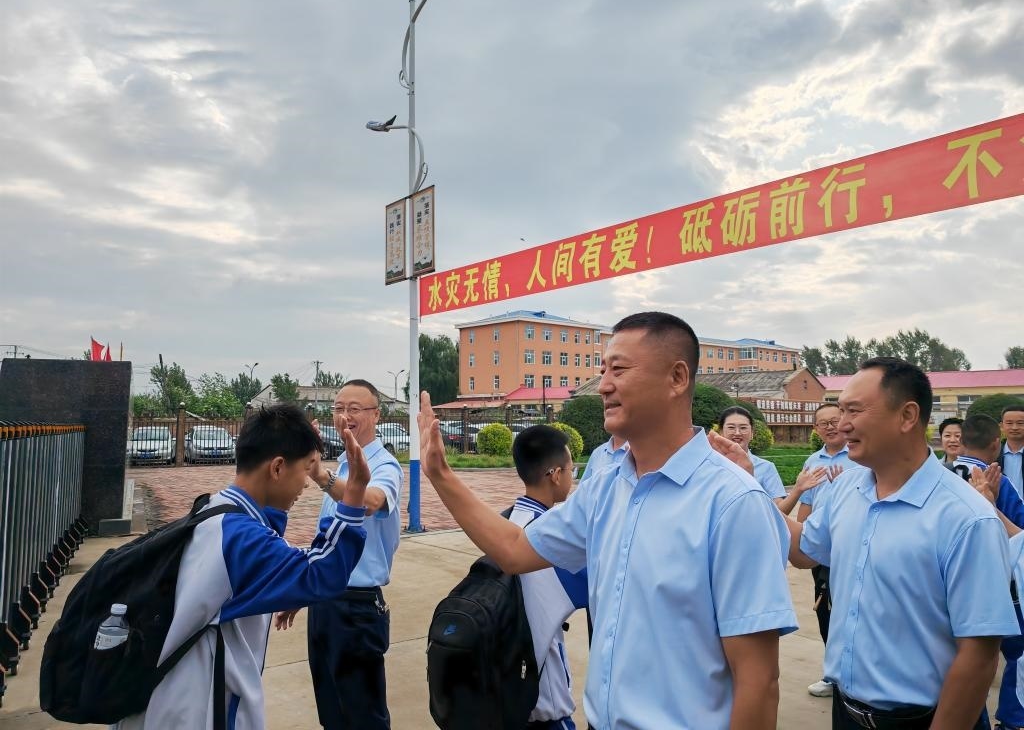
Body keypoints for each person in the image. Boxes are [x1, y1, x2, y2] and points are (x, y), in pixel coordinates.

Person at [418, 311, 798, 730]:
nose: (603, 385)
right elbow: (514, 549)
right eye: (603, 371)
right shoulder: (605, 488)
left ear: (677, 378)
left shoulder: (734, 503)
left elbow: (758, 681)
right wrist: (441, 475)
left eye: (619, 369)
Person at [784, 357, 1018, 730]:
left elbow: (979, 654)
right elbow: (803, 552)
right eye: (841, 410)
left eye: (854, 411)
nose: (841, 424)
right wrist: (745, 488)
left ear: (908, 415)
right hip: (847, 713)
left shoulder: (966, 518)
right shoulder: (846, 489)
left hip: (923, 720)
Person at [116, 404, 370, 730]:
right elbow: (322, 573)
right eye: (305, 469)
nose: (306, 484)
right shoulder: (241, 539)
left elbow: (272, 547)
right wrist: (355, 490)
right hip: (196, 714)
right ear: (277, 468)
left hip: (168, 705)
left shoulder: (218, 510)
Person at [292, 380, 403, 730]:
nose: (344, 416)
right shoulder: (341, 467)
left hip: (357, 608)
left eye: (354, 409)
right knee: (332, 712)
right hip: (324, 602)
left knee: (363, 715)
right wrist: (304, 591)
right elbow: (326, 540)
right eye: (338, 408)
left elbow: (370, 501)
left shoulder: (385, 466)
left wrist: (321, 477)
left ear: (376, 415)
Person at [508, 424, 588, 730]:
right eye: (571, 470)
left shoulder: (509, 521)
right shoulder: (553, 539)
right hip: (543, 704)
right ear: (555, 475)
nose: (571, 478)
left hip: (510, 690)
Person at [949, 414, 1024, 730]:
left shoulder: (939, 476)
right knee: (1010, 653)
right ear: (996, 444)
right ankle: (1011, 719)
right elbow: (1019, 533)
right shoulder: (997, 480)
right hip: (997, 583)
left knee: (957, 655)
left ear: (961, 441)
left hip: (948, 582)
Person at [797, 402, 855, 698]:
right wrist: (800, 541)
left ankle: (854, 674)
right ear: (816, 429)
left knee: (852, 611)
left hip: (852, 548)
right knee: (825, 610)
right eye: (824, 423)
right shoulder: (812, 461)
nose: (831, 427)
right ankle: (833, 674)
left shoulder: (859, 456)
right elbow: (806, 505)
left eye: (835, 420)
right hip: (821, 550)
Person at [718, 405, 827, 515]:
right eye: (731, 427)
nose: (737, 433)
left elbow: (780, 512)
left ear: (752, 433)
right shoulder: (711, 466)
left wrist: (797, 489)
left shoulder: (766, 468)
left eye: (743, 428)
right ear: (721, 432)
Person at [1000, 405, 1024, 497]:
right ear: (1002, 426)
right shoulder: (993, 455)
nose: (1014, 427)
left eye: (1020, 423)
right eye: (1009, 423)